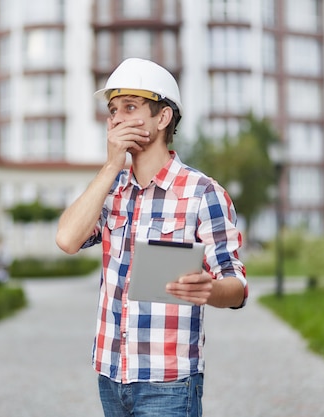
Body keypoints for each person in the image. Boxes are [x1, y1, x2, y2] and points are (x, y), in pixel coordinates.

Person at [55, 57, 247, 417]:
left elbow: (236, 286)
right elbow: (67, 239)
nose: (116, 119)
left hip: (169, 383)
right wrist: (112, 165)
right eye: (113, 111)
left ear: (163, 118)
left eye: (130, 107)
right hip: (111, 376)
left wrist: (210, 290)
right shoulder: (110, 191)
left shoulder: (203, 193)